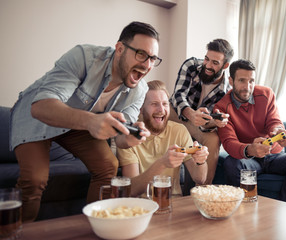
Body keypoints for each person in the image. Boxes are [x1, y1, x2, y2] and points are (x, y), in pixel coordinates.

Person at [9, 21, 161, 222]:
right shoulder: (85, 57)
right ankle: (14, 234)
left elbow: (122, 139)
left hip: (78, 123)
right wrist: (91, 121)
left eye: (153, 58)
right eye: (141, 54)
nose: (147, 65)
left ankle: (96, 226)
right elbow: (41, 106)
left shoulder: (140, 90)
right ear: (120, 48)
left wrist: (131, 138)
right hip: (37, 115)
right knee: (35, 179)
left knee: (108, 166)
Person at [214, 59, 286, 205]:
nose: (247, 87)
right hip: (249, 160)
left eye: (251, 81)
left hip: (274, 157)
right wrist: (250, 149)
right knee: (231, 164)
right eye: (242, 80)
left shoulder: (266, 94)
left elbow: (274, 121)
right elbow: (229, 142)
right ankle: (243, 209)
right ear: (231, 81)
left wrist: (278, 131)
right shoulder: (221, 107)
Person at [117, 80, 208, 196]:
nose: (161, 110)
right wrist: (162, 164)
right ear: (140, 108)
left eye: (165, 104)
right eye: (154, 104)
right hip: (143, 207)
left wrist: (201, 161)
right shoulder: (129, 138)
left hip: (174, 203)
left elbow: (200, 179)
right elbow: (131, 191)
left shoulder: (179, 130)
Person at [168, 39, 233, 184]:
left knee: (213, 138)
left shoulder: (226, 92)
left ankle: (202, 190)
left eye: (215, 63)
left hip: (197, 126)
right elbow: (178, 95)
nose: (208, 66)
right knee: (161, 108)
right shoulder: (191, 66)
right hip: (175, 114)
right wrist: (191, 114)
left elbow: (206, 125)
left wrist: (213, 122)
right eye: (206, 59)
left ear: (225, 65)